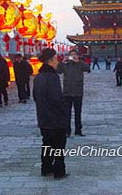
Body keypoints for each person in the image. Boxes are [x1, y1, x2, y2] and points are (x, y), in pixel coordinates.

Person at [33, 48, 69, 179]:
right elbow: (57, 99)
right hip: (56, 119)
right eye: (56, 59)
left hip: (43, 118)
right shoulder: (52, 77)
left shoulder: (38, 77)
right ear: (50, 61)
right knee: (59, 146)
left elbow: (35, 97)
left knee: (47, 143)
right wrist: (65, 113)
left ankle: (46, 168)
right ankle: (59, 171)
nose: (58, 61)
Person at [57, 49, 90, 137]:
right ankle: (67, 131)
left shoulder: (80, 63)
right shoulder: (66, 64)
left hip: (78, 92)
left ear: (78, 55)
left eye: (75, 54)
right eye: (71, 55)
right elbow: (58, 71)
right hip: (67, 92)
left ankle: (78, 130)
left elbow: (87, 68)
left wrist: (79, 61)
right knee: (67, 113)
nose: (73, 56)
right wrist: (62, 62)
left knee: (78, 112)